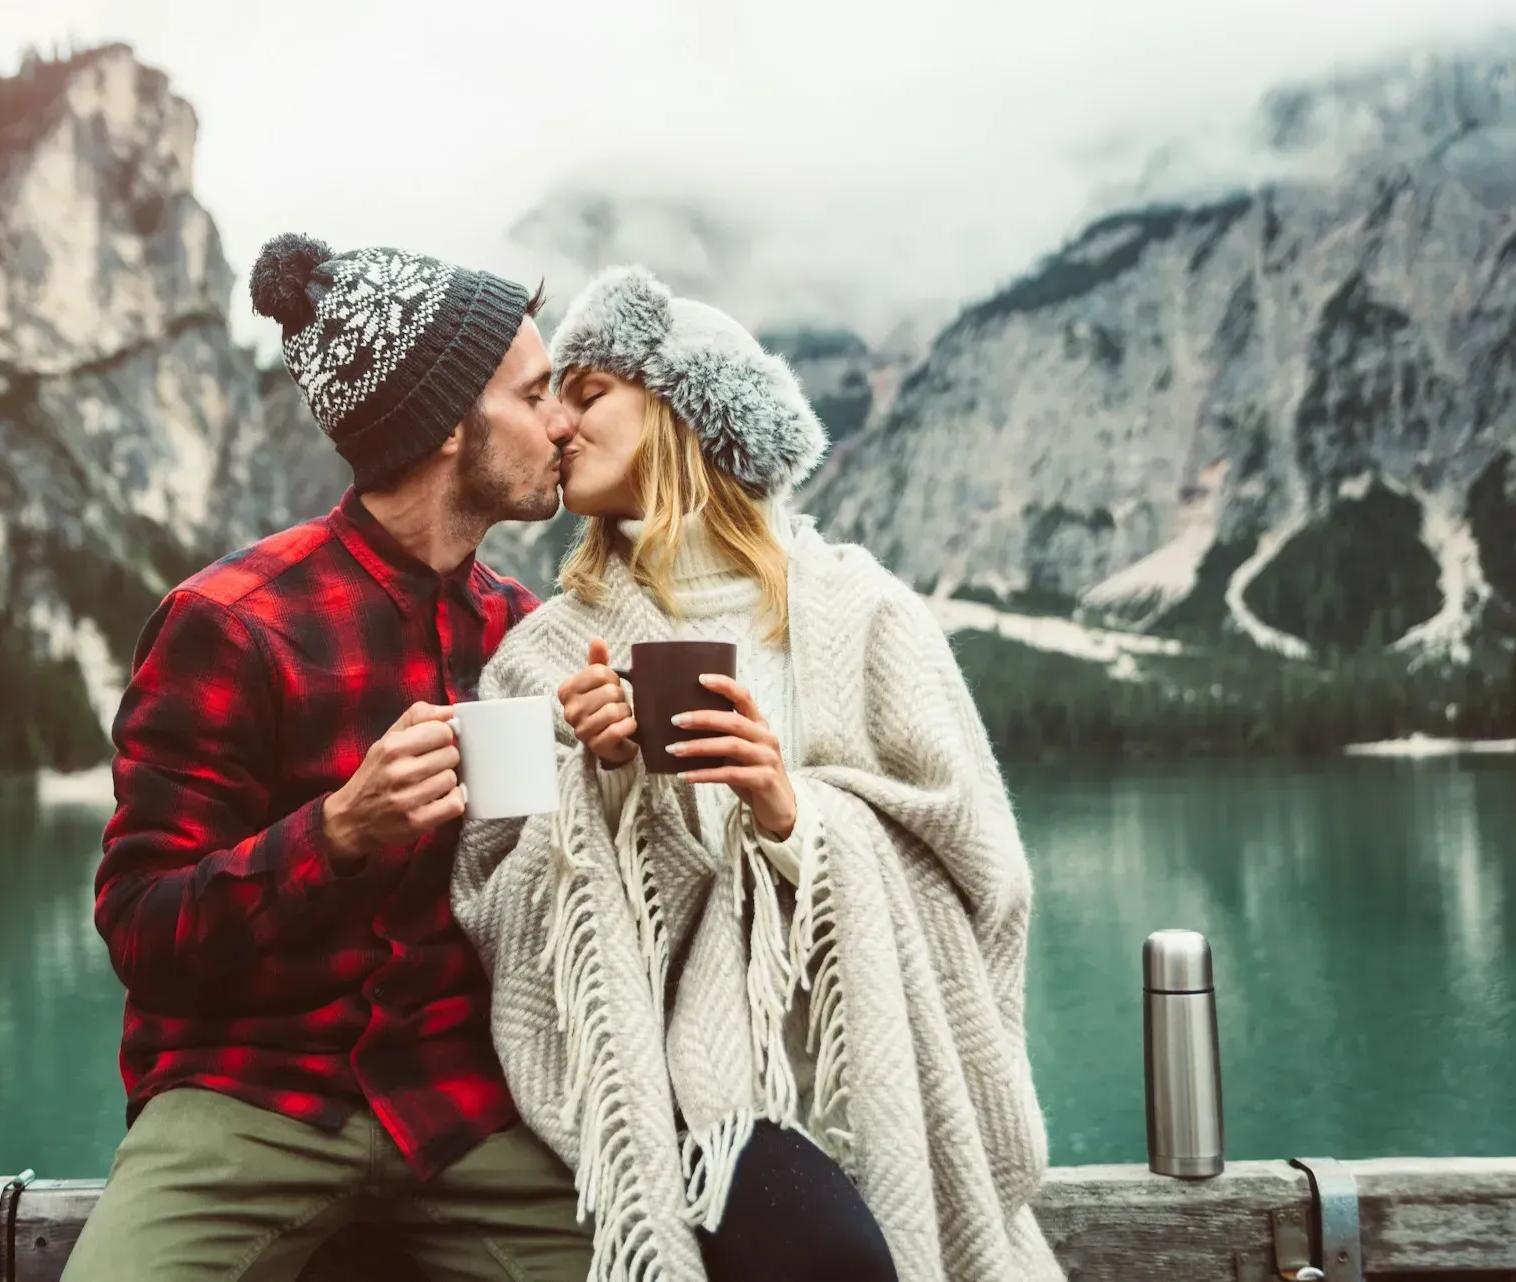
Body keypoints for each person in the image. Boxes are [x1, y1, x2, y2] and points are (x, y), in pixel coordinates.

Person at [452, 266, 1066, 1282]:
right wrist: (599, 788)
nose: (556, 422)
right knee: (827, 1254)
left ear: (688, 408)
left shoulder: (868, 613)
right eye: (551, 395)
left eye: (589, 392)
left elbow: (989, 875)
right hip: (690, 1096)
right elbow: (486, 902)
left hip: (884, 1075)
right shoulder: (539, 653)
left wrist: (796, 817)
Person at [61, 233, 593, 1282]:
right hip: (250, 1100)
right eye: (537, 396)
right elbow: (142, 930)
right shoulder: (230, 624)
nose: (563, 423)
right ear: (449, 424)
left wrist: (611, 772)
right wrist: (339, 830)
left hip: (465, 1108)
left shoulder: (527, 630)